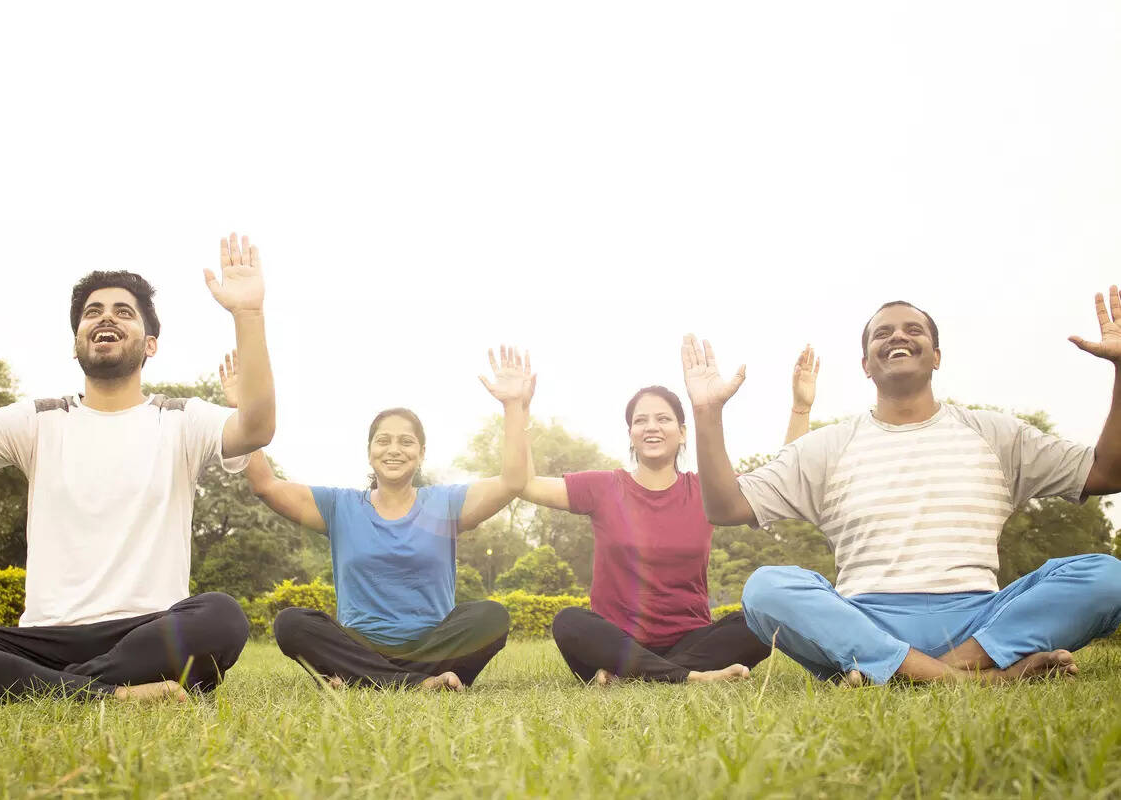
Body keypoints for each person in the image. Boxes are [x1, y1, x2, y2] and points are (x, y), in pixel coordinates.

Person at [0, 231, 276, 702]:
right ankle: (110, 693)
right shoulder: (39, 421)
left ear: (150, 345)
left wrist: (247, 314)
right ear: (76, 343)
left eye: (123, 312)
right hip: (46, 637)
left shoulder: (180, 419)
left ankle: (56, 688)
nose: (106, 318)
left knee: (222, 616)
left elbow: (255, 428)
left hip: (147, 630)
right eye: (93, 312)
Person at [683, 293, 1121, 685]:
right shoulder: (826, 447)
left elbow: (1105, 474)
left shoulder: (996, 435)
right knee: (765, 588)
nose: (899, 337)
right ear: (865, 364)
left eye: (914, 330)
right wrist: (706, 414)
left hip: (981, 620)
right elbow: (726, 506)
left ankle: (911, 671)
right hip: (866, 620)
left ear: (936, 356)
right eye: (883, 333)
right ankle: (978, 680)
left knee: (1106, 575)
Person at [223, 346, 533, 690]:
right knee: (291, 624)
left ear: (421, 453)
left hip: (430, 647)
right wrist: (240, 409)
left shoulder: (446, 504)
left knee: (492, 617)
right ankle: (415, 683)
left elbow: (513, 482)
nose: (394, 449)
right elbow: (265, 485)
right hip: (358, 645)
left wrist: (513, 406)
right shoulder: (339, 506)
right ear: (370, 452)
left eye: (406, 441)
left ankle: (367, 679)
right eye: (383, 441)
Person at [520, 346, 818, 686]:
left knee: (760, 621)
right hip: (616, 640)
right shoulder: (603, 487)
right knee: (569, 622)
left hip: (690, 639)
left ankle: (639, 675)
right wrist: (519, 409)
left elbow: (781, 481)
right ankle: (687, 676)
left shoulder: (708, 489)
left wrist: (801, 407)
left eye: (663, 419)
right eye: (640, 420)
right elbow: (525, 484)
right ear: (631, 433)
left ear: (683, 431)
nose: (652, 427)